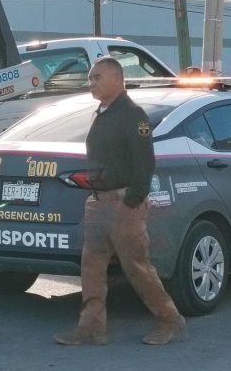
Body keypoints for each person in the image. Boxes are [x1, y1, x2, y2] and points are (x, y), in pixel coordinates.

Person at [54, 57, 186, 346]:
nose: (91, 83)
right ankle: (91, 328)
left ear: (117, 78)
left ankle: (169, 320)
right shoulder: (101, 113)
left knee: (137, 268)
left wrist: (132, 201)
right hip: (97, 204)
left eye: (97, 77)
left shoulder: (132, 114)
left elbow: (144, 164)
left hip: (123, 204)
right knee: (91, 269)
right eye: (90, 78)